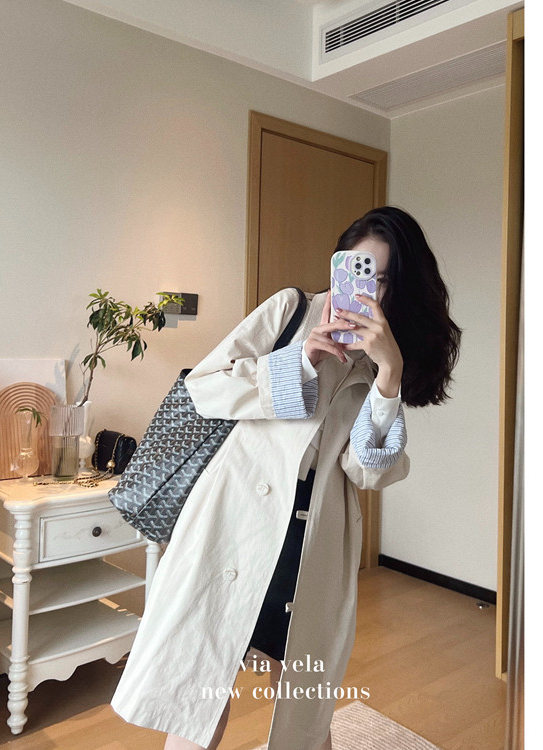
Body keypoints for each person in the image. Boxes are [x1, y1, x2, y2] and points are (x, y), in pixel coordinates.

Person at [111, 206, 461, 750]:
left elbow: (367, 472)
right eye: (358, 269)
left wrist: (389, 374)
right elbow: (205, 386)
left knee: (300, 701)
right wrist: (298, 362)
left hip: (311, 539)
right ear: (339, 265)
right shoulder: (292, 311)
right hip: (235, 525)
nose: (367, 289)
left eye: (383, 278)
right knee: (202, 688)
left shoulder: (381, 358)